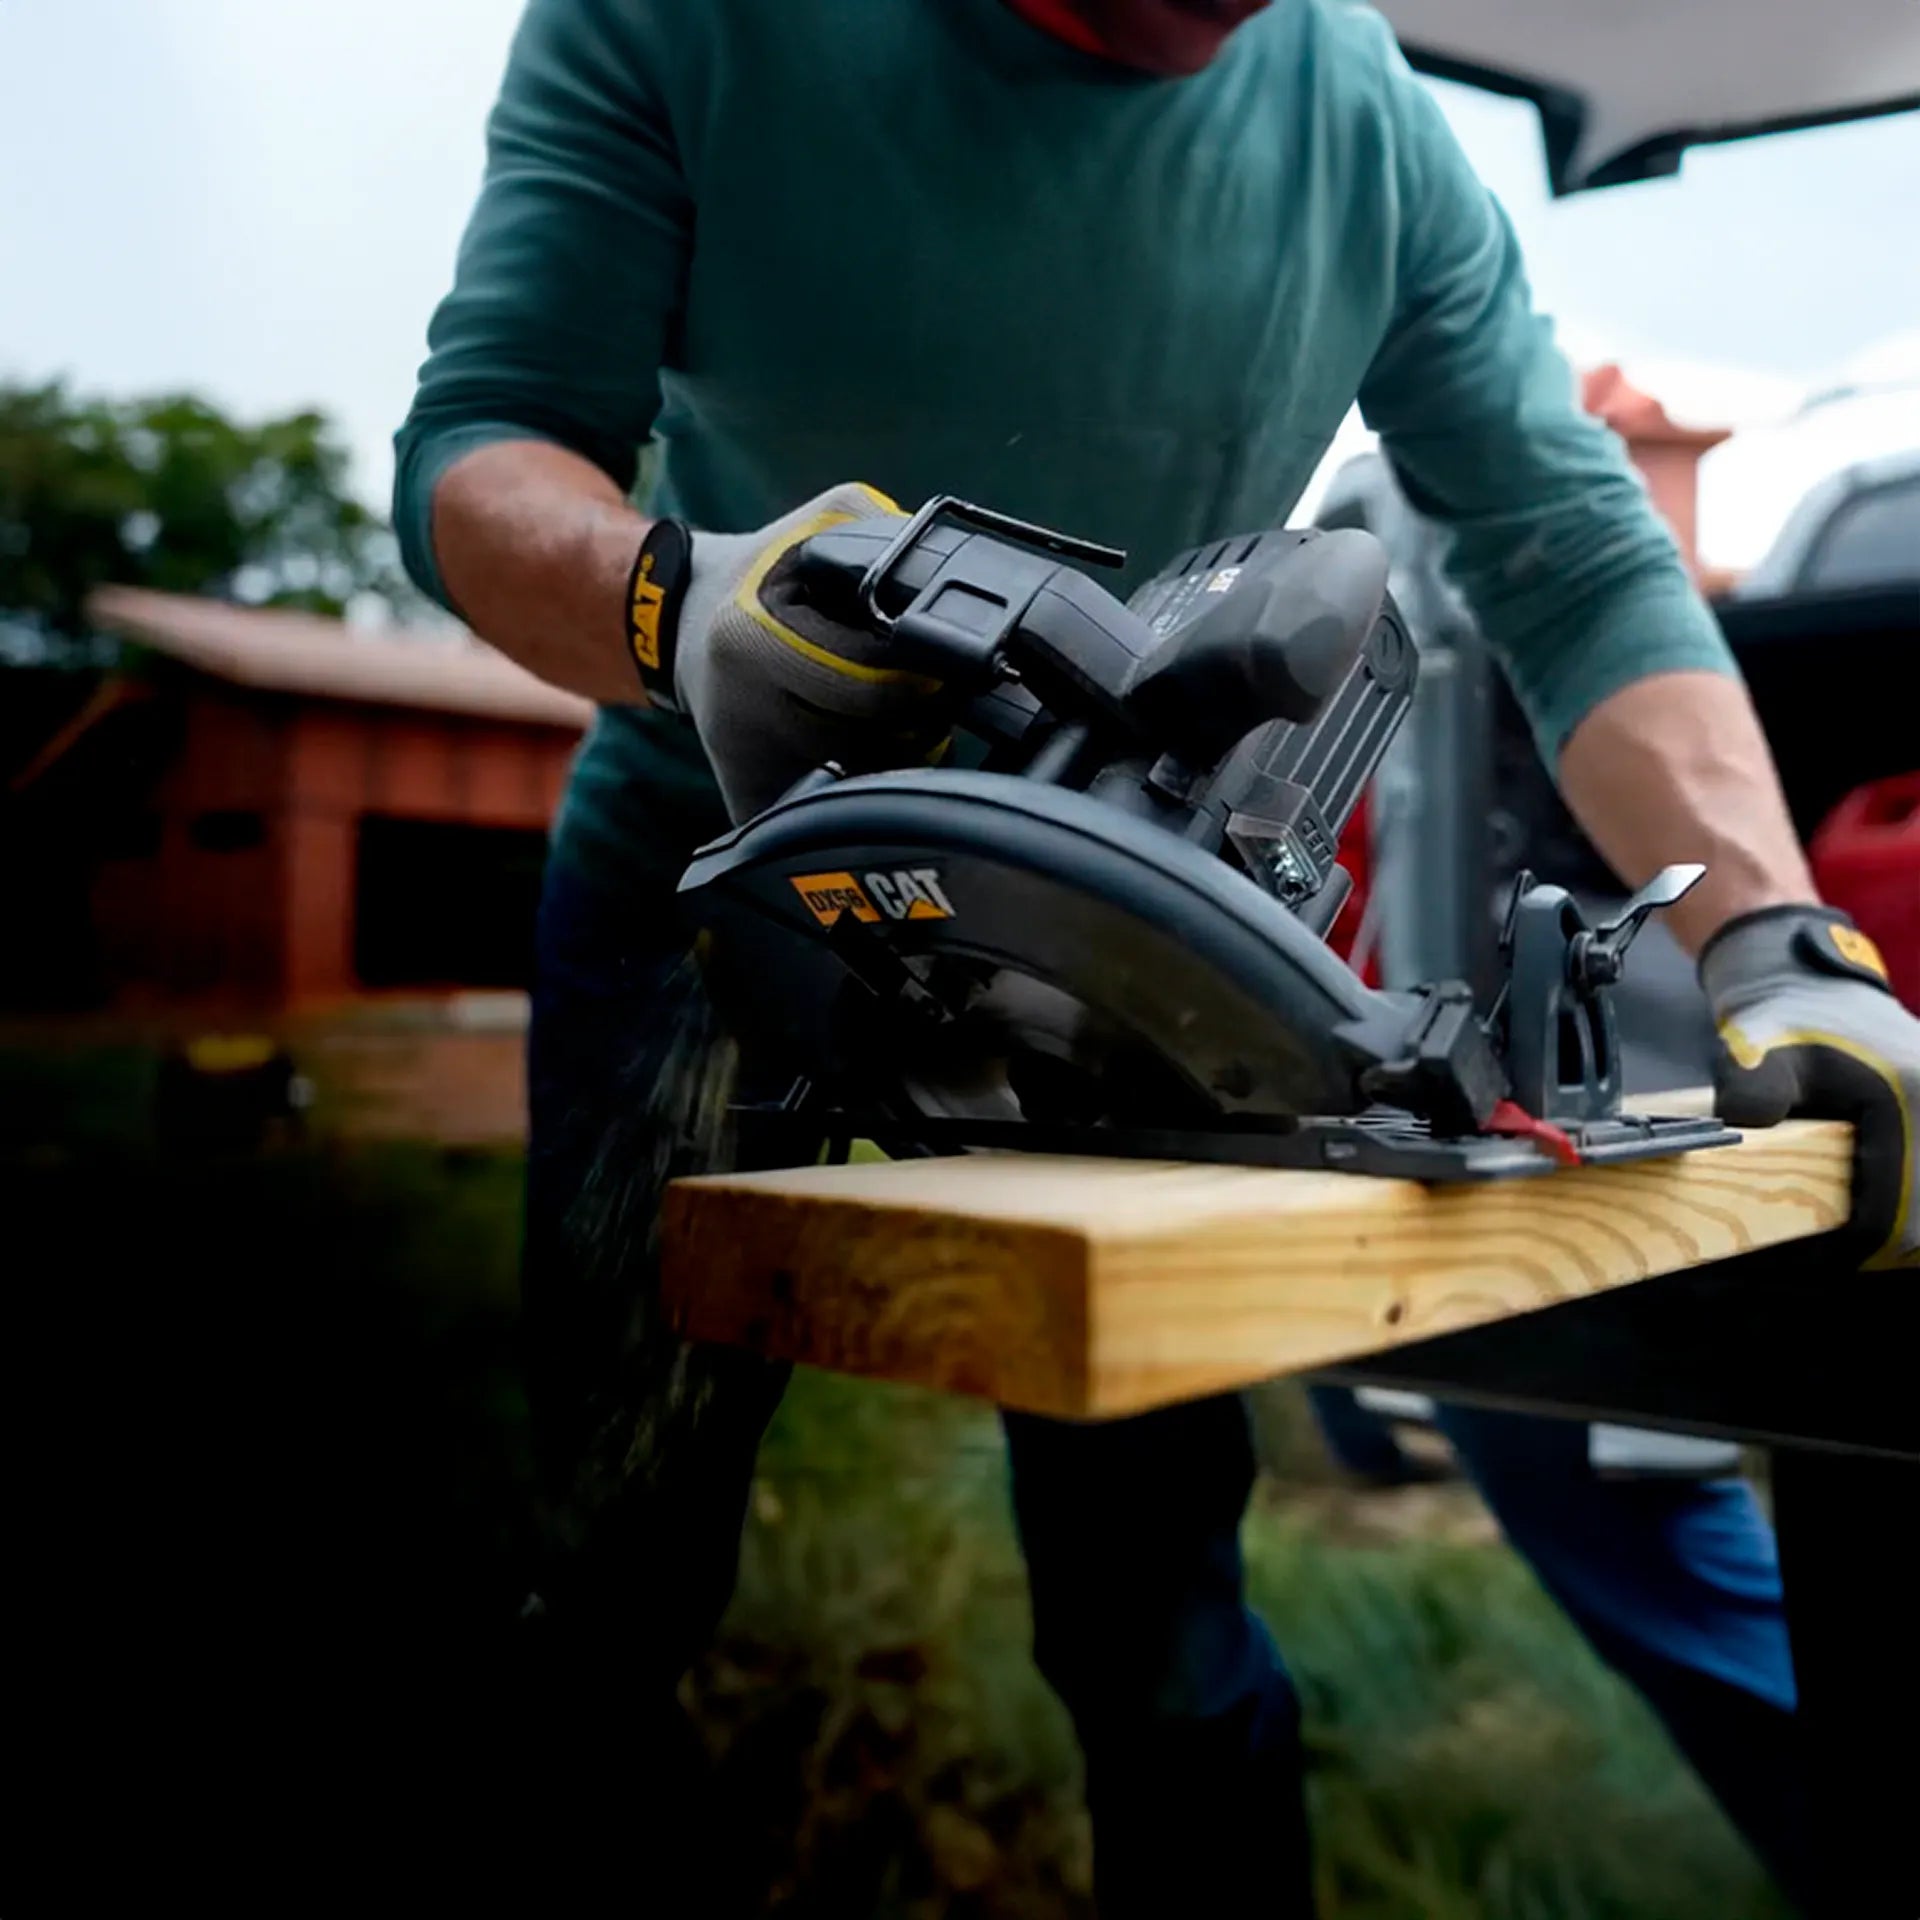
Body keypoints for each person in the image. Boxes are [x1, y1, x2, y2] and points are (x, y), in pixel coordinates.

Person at [395, 1, 1920, 1910]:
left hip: (1132, 900)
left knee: (1165, 1632)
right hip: (721, 856)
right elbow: (481, 443)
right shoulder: (690, 21)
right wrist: (677, 601)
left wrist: (1782, 938)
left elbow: (1566, 539)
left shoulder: (1355, 110)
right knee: (619, 1564)